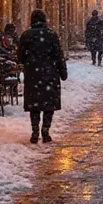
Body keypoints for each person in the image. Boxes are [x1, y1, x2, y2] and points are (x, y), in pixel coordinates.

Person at [17, 9, 67, 144]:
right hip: (49, 74)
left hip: (33, 74)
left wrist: (29, 61)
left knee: (35, 105)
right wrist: (63, 71)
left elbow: (20, 57)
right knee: (48, 104)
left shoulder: (26, 35)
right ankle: (45, 130)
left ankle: (34, 131)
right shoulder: (51, 35)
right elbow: (58, 55)